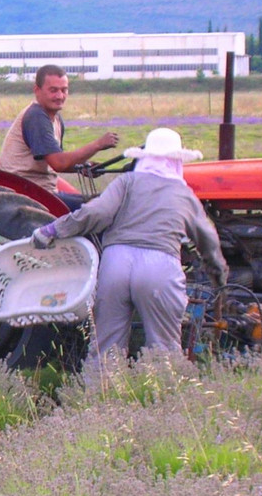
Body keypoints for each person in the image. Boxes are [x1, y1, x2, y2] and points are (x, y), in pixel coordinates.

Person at [32, 127, 228, 364]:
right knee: (164, 347)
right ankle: (161, 396)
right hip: (161, 266)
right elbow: (207, 238)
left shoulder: (126, 182)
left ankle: (101, 394)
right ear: (178, 160)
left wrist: (53, 230)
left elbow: (98, 212)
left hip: (116, 263)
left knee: (105, 347)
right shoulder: (183, 193)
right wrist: (219, 277)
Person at [0, 64, 120, 207]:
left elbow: (55, 161)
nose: (60, 96)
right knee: (104, 205)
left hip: (43, 191)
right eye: (53, 90)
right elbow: (59, 163)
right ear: (37, 90)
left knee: (106, 200)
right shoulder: (36, 116)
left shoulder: (55, 119)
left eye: (64, 90)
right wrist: (97, 145)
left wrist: (83, 167)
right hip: (29, 195)